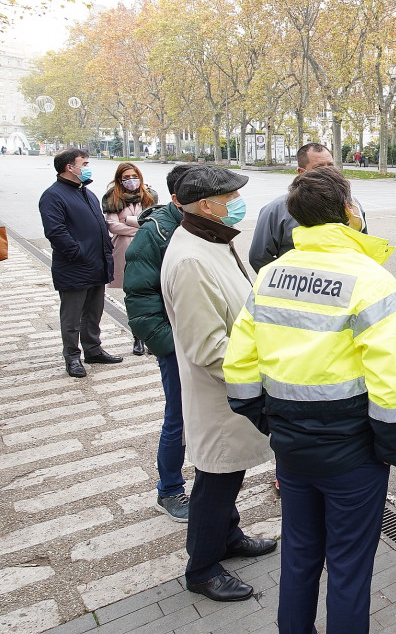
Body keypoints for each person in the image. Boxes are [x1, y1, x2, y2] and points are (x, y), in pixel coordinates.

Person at [225, 167, 396, 633]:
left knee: (298, 555)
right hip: (353, 454)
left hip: (292, 449)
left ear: (295, 218)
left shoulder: (271, 275)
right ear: (348, 212)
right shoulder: (370, 280)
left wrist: (272, 424)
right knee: (350, 568)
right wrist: (390, 448)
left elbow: (239, 366)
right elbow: (394, 378)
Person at [160, 165, 275, 603]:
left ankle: (229, 536)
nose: (238, 203)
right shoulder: (191, 258)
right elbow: (207, 347)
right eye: (232, 197)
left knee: (230, 472)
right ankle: (203, 566)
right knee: (216, 478)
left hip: (236, 389)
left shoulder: (213, 240)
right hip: (221, 393)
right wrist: (262, 370)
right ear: (207, 205)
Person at [123, 164, 195, 523]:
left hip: (201, 342)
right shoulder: (155, 234)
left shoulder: (201, 225)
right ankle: (169, 490)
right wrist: (169, 345)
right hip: (176, 346)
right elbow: (138, 298)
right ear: (179, 198)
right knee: (178, 419)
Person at [39, 148, 122, 377]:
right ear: (70, 167)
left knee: (94, 312)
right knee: (72, 317)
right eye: (84, 164)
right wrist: (78, 253)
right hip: (74, 266)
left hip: (97, 264)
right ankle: (72, 357)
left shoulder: (86, 192)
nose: (87, 167)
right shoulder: (53, 195)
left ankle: (93, 350)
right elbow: (56, 232)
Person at [248, 143, 368, 273]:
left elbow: (364, 248)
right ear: (301, 172)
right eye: (319, 167)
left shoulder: (351, 205)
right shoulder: (276, 210)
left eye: (331, 165)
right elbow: (259, 257)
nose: (328, 172)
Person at [103, 162, 157, 355]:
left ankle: (151, 336)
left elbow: (154, 220)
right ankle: (137, 337)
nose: (130, 181)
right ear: (119, 179)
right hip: (123, 251)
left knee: (151, 295)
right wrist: (139, 228)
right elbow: (112, 225)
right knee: (132, 296)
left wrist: (127, 221)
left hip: (148, 250)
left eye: (133, 176)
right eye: (125, 178)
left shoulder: (149, 194)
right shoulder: (112, 198)